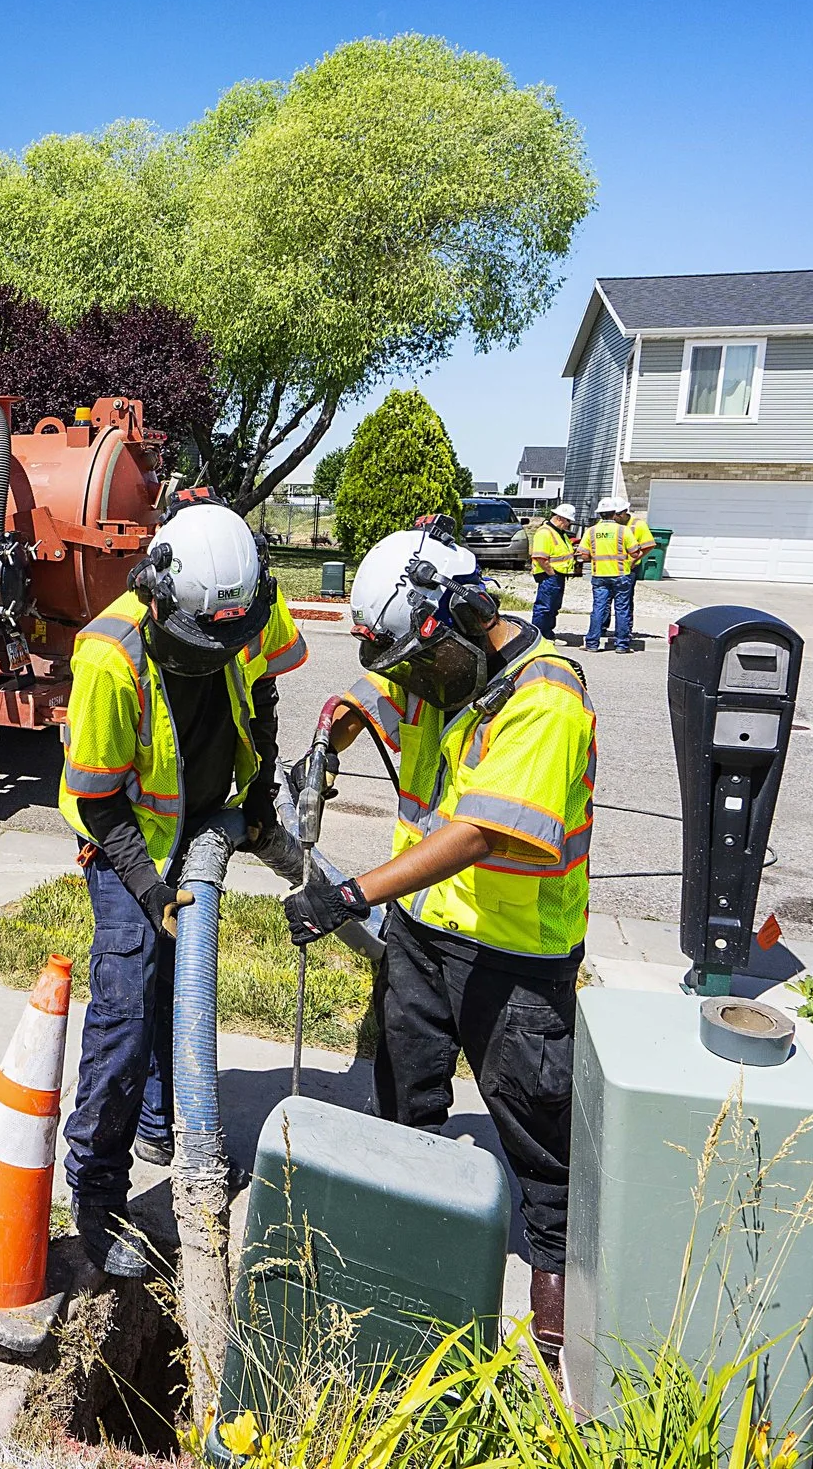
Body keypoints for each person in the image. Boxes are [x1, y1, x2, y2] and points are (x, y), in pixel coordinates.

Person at [284, 522, 597, 1359]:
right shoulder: (436, 670)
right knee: (403, 1100)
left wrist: (349, 893)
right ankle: (405, 1251)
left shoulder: (546, 697)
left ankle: (555, 1301)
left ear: (461, 611)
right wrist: (329, 731)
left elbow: (480, 835)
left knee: (537, 1138)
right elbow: (372, 699)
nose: (415, 682)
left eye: (420, 660)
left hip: (515, 960)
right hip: (421, 942)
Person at [58, 496, 307, 1275]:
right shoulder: (109, 653)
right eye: (199, 642)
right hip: (125, 835)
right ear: (159, 595)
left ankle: (165, 1121)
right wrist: (147, 885)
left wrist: (260, 794)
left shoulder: (246, 599)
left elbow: (262, 693)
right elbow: (97, 797)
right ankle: (97, 1191)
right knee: (130, 999)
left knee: (178, 987)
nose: (214, 653)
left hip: (200, 816)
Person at [578, 498, 637, 653]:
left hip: (599, 575)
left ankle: (592, 644)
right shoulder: (624, 530)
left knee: (598, 608)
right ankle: (622, 645)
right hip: (620, 575)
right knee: (622, 609)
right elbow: (634, 552)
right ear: (614, 513)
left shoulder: (591, 531)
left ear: (600, 514)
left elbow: (583, 555)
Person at [526, 503, 579, 643]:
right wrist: (551, 573)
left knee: (553, 607)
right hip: (549, 575)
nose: (569, 525)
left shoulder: (558, 533)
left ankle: (547, 635)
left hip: (556, 575)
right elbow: (540, 557)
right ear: (560, 518)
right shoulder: (545, 532)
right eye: (568, 521)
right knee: (544, 607)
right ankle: (538, 637)